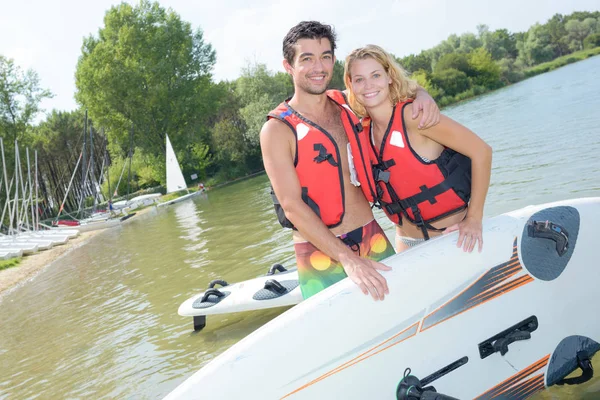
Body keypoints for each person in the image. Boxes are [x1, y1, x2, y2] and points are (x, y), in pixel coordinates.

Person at [260, 21, 441, 302]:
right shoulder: (277, 129)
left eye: (326, 56)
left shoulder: (349, 102)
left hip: (372, 237)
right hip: (319, 258)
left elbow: (395, 89)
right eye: (306, 58)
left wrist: (423, 95)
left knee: (408, 315)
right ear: (288, 66)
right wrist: (348, 259)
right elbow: (291, 206)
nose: (318, 67)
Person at [344, 44, 492, 253]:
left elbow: (481, 151)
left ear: (389, 77)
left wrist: (475, 218)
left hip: (453, 236)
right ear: (351, 85)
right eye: (359, 79)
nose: (368, 85)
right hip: (407, 244)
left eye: (376, 75)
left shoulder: (414, 116)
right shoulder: (362, 133)